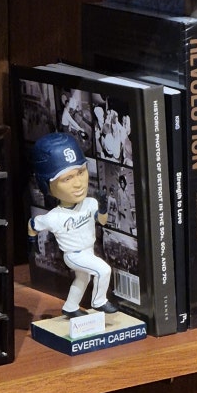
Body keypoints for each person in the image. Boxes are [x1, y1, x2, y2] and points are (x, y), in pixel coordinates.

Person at [28, 132, 120, 318]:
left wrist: (103, 208)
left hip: (88, 251)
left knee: (83, 278)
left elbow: (102, 222)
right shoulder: (54, 217)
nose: (78, 183)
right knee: (103, 270)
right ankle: (99, 301)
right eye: (67, 178)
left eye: (81, 172)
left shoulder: (90, 203)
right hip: (74, 254)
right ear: (46, 185)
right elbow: (33, 224)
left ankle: (70, 306)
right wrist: (32, 243)